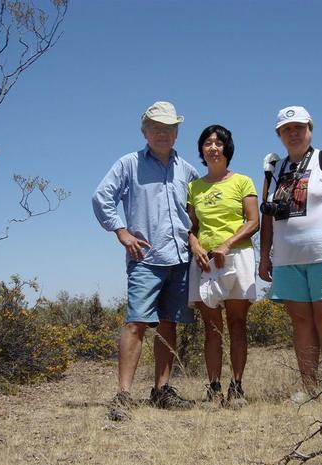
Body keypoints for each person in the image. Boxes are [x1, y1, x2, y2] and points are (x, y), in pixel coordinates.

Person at [92, 101, 199, 421]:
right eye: (155, 127)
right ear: (145, 131)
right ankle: (124, 394)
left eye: (168, 128)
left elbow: (197, 213)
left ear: (177, 132)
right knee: (136, 323)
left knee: (169, 324)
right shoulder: (128, 164)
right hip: (145, 257)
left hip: (180, 257)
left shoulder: (188, 171)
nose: (162, 133)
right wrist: (120, 231)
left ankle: (162, 390)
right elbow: (102, 197)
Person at [258, 106, 322, 403]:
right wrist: (264, 257)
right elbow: (267, 218)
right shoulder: (274, 169)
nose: (293, 133)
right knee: (300, 322)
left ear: (310, 129)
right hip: (288, 259)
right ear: (279, 134)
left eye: (298, 127)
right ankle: (309, 385)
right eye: (286, 129)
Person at [187, 125, 259, 408]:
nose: (213, 147)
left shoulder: (242, 181)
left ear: (227, 148)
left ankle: (237, 387)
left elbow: (253, 221)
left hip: (236, 257)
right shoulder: (194, 187)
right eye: (207, 143)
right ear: (202, 150)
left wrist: (227, 244)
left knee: (238, 324)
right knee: (211, 328)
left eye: (218, 143)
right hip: (205, 262)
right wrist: (194, 245)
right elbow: (191, 226)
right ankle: (214, 387)